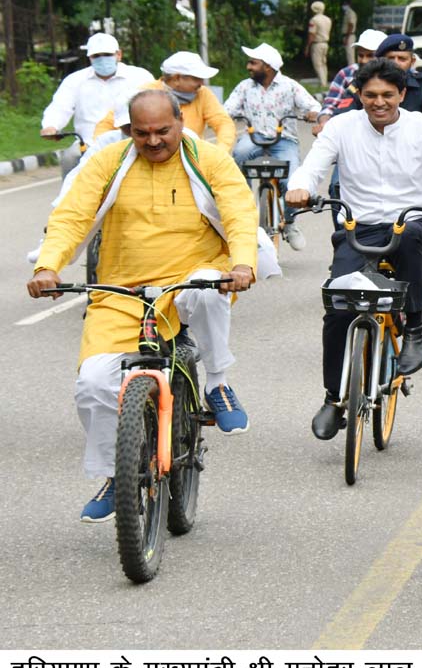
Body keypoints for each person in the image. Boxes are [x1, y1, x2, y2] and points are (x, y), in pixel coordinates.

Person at [27, 90, 258, 522]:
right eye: (142, 133)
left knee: (211, 287)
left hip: (191, 278)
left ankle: (218, 383)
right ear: (129, 130)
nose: (153, 141)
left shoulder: (209, 159)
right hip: (122, 292)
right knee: (94, 384)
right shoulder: (108, 161)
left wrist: (243, 262)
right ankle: (119, 476)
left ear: (181, 123)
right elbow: (72, 216)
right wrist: (48, 266)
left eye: (162, 131)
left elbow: (239, 211)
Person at [285, 60, 422, 438]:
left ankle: (416, 328)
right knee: (339, 306)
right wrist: (300, 188)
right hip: (360, 227)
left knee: (408, 240)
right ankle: (333, 398)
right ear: (359, 95)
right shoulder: (341, 127)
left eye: (388, 95)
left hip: (413, 220)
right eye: (370, 95)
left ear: (402, 95)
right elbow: (311, 168)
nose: (379, 102)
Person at [224, 42, 321, 251]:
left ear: (267, 66)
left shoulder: (290, 86)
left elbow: (314, 106)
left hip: (284, 139)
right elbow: (227, 110)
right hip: (254, 136)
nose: (249, 67)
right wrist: (224, 116)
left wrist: (313, 114)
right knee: (238, 156)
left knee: (293, 181)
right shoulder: (244, 87)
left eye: (253, 63)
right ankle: (245, 206)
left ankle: (290, 222)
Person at [40, 33, 155, 173]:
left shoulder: (139, 77)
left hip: (130, 140)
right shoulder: (75, 80)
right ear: (90, 58)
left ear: (118, 55)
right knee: (69, 158)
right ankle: (69, 194)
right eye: (96, 56)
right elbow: (60, 106)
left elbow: (155, 104)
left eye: (107, 54)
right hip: (88, 143)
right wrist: (51, 126)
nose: (102, 59)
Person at [92, 51, 235, 152]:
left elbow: (223, 122)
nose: (201, 83)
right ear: (177, 78)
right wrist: (101, 149)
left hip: (191, 154)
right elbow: (109, 122)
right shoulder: (145, 93)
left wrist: (221, 150)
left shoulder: (203, 94)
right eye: (196, 78)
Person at [314, 28, 389, 133]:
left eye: (370, 55)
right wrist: (325, 123)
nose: (364, 60)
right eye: (360, 55)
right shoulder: (347, 74)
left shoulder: (395, 77)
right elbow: (330, 105)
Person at [306, 1, 333, 88]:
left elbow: (312, 34)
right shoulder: (328, 19)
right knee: (323, 63)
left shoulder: (314, 20)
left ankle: (322, 83)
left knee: (317, 64)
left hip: (317, 44)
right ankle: (324, 81)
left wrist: (307, 46)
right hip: (325, 43)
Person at [341, 2, 359, 68]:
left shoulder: (351, 13)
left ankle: (352, 72)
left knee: (350, 55)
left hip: (349, 36)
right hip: (347, 36)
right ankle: (351, 70)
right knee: (348, 55)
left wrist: (347, 38)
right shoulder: (346, 13)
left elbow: (351, 25)